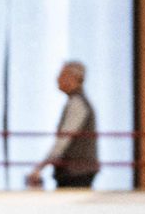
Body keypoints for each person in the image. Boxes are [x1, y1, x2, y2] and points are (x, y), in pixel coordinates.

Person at [24, 60, 98, 190]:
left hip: (76, 172)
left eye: (62, 75)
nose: (57, 79)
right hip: (76, 170)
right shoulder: (77, 102)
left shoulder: (77, 103)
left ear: (74, 78)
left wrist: (40, 167)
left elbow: (64, 139)